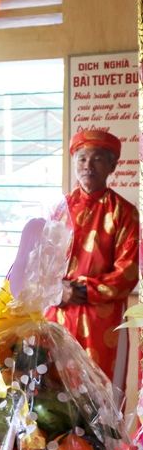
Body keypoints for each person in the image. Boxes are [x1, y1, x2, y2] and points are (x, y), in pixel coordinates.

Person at [45, 129, 139, 393]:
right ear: (75, 163)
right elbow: (39, 265)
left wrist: (83, 290)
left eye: (97, 159)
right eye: (83, 158)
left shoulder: (125, 213)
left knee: (100, 391)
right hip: (58, 313)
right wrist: (57, 290)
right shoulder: (57, 210)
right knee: (52, 388)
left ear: (112, 166)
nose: (89, 165)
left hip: (102, 321)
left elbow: (128, 273)